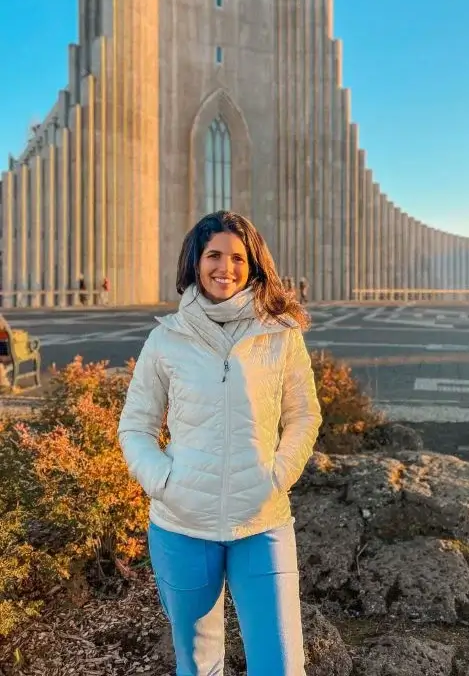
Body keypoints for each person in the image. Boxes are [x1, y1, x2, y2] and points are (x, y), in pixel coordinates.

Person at [118, 210, 321, 676]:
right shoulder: (166, 338)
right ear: (195, 261)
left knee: (281, 665)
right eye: (214, 255)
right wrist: (164, 481)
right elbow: (135, 425)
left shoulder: (280, 334)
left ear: (253, 266)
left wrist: (279, 474)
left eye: (237, 257)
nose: (224, 267)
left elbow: (303, 415)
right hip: (181, 524)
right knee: (198, 665)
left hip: (261, 521)